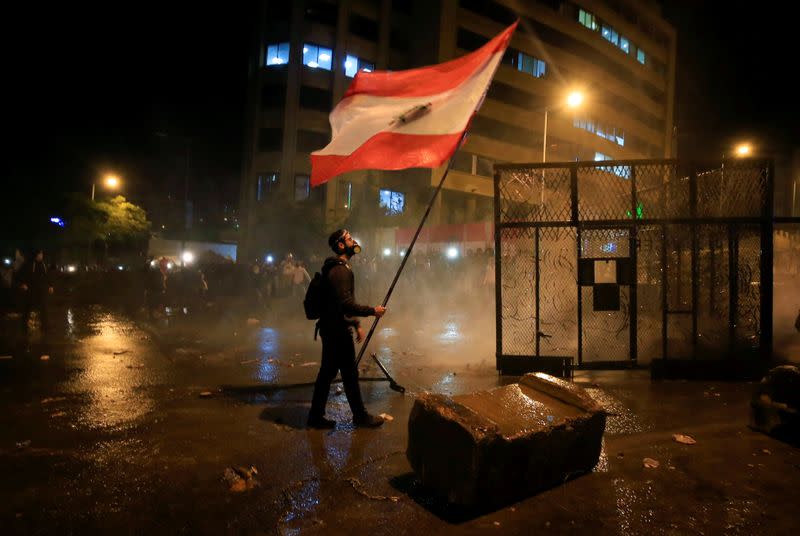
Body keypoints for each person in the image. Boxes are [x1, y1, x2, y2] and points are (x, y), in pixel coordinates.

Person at [308, 229, 387, 429]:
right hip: (336, 333)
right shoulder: (340, 270)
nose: (354, 241)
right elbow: (346, 304)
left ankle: (316, 417)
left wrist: (356, 324)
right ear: (341, 245)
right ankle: (358, 416)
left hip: (334, 329)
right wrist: (372, 311)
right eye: (350, 238)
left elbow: (337, 305)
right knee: (345, 374)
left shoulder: (337, 268)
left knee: (333, 374)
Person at [19, 249, 54, 337]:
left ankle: (45, 325)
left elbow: (47, 275)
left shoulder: (44, 264)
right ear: (36, 255)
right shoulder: (29, 264)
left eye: (42, 254)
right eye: (40, 254)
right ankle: (24, 324)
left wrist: (50, 285)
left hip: (41, 290)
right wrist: (23, 284)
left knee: (44, 307)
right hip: (31, 289)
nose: (41, 256)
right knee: (27, 307)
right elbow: (22, 274)